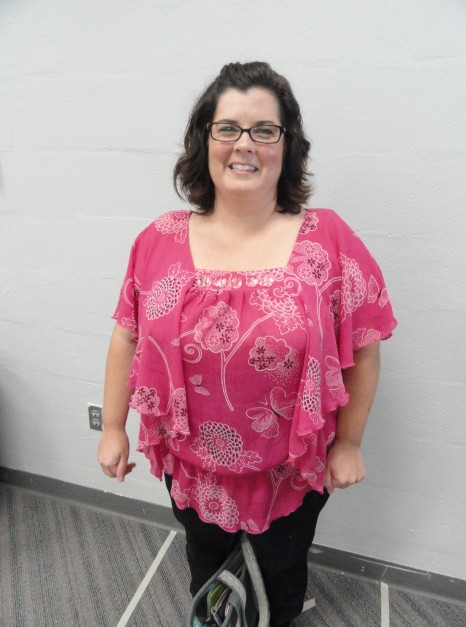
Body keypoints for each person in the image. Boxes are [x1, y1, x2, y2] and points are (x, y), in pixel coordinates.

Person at [97, 61, 397, 627]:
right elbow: (126, 333)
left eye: (264, 129)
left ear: (287, 145)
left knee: (281, 577)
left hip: (292, 470)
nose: (245, 144)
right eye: (228, 128)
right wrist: (114, 426)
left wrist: (350, 443)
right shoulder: (157, 240)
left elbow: (364, 345)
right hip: (191, 468)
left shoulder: (328, 239)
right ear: (204, 140)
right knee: (205, 566)